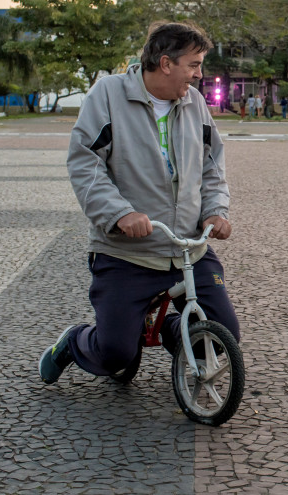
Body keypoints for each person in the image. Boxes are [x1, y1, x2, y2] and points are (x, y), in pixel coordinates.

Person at [40, 21, 240, 384]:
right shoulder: (108, 94)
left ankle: (168, 327)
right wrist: (119, 213)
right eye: (193, 65)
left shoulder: (195, 104)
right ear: (166, 63)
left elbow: (212, 165)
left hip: (187, 250)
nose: (199, 75)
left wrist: (216, 210)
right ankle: (74, 342)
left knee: (220, 340)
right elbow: (85, 162)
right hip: (127, 253)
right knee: (116, 353)